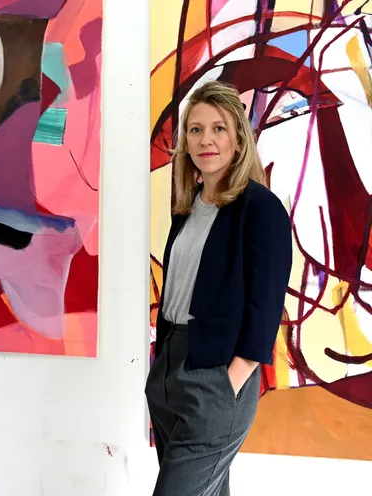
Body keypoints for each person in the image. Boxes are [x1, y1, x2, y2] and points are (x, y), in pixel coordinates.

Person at [145, 80, 293, 496]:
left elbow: (266, 306)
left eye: (218, 128)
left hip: (216, 377)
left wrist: (230, 381)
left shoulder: (260, 208)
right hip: (169, 370)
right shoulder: (188, 207)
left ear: (239, 139)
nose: (205, 140)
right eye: (195, 130)